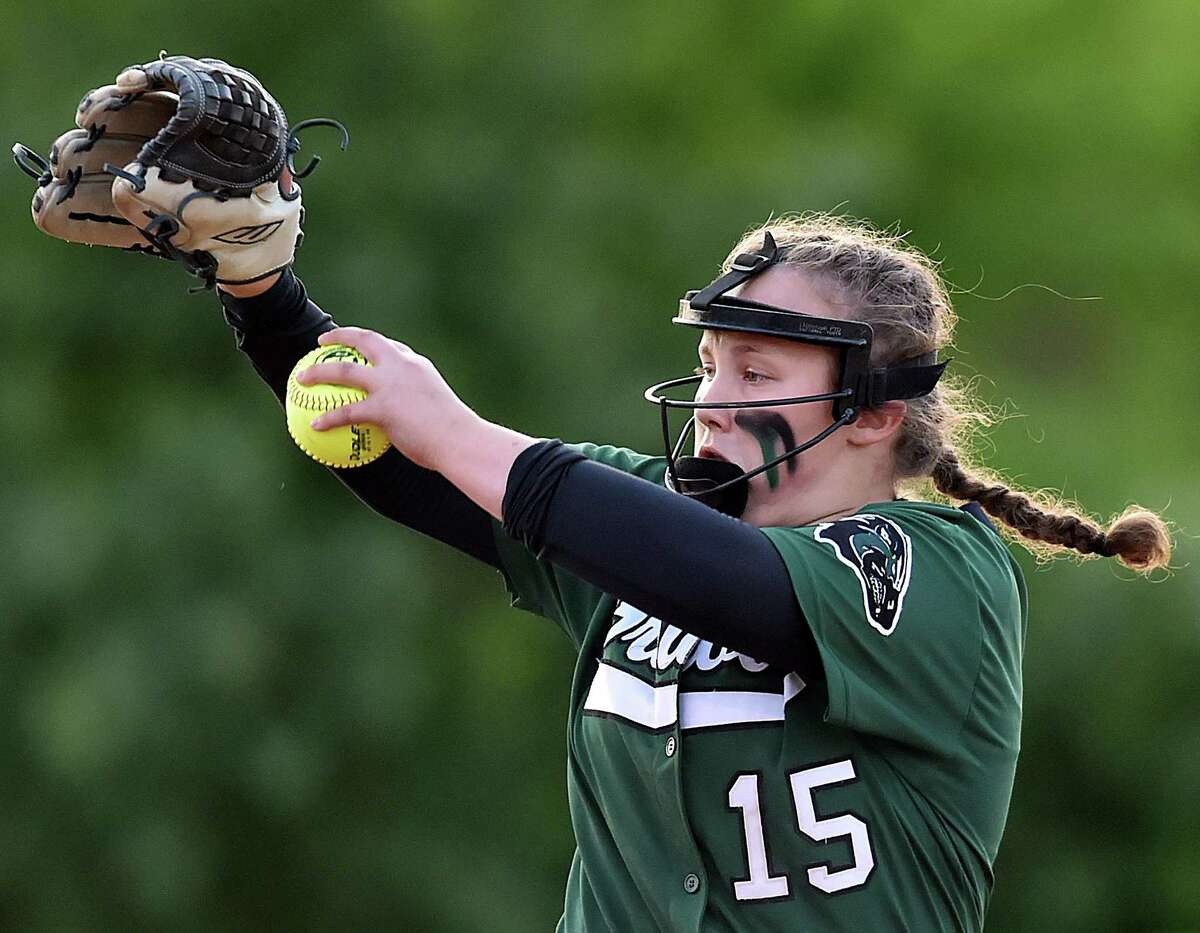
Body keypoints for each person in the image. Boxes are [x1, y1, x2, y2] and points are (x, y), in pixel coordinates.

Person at [216, 213, 1171, 931]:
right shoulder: (642, 526)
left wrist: (463, 429)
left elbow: (731, 583)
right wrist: (263, 292)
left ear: (878, 411)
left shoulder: (943, 569)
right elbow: (408, 464)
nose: (712, 399)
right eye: (712, 364)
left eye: (755, 375)